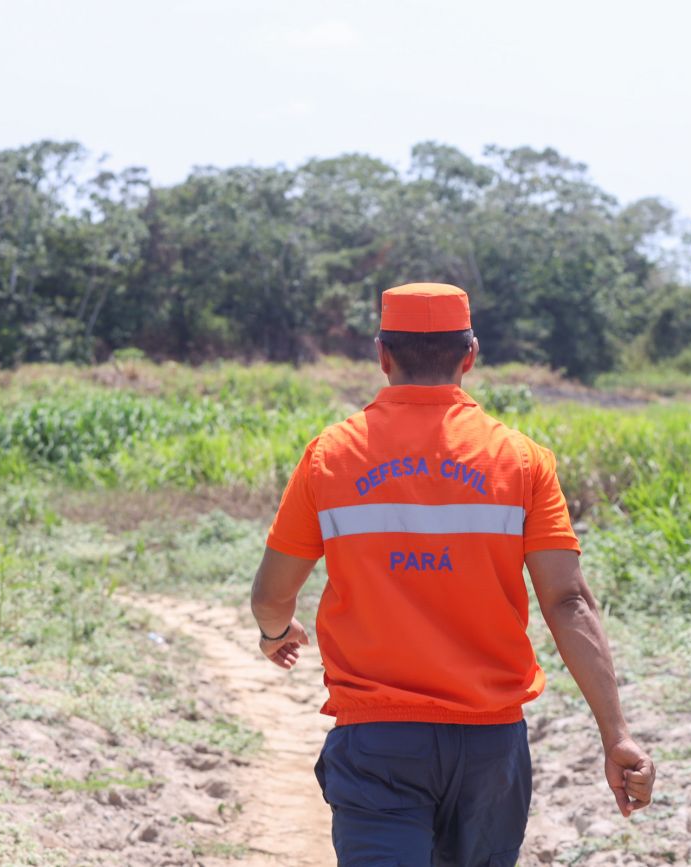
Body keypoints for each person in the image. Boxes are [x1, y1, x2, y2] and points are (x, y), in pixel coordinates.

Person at [250, 283, 655, 866]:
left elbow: (272, 596)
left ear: (382, 355)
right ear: (470, 355)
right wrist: (616, 734)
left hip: (378, 742)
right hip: (490, 748)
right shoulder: (521, 461)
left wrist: (274, 633)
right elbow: (567, 601)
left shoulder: (330, 456)